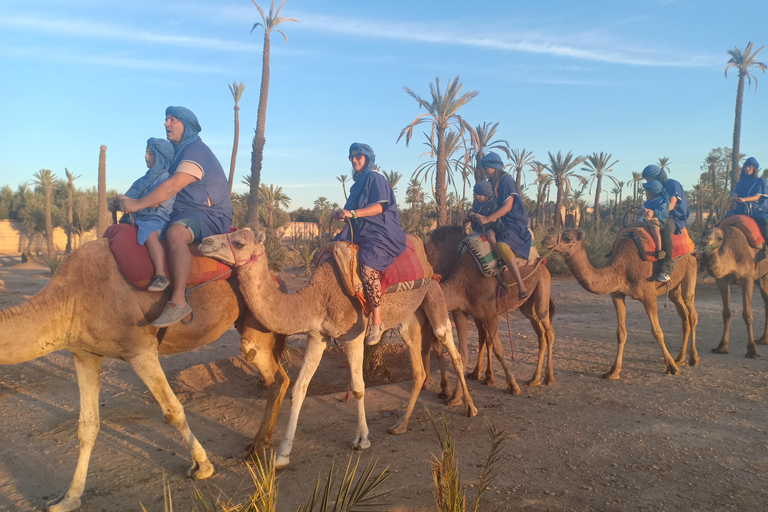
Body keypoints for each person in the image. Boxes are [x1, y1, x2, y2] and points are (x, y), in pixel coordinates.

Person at [117, 106, 233, 327]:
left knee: (176, 233)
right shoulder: (176, 153)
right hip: (180, 211)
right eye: (166, 119)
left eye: (173, 120)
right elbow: (158, 184)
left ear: (186, 126)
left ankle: (179, 301)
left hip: (208, 214)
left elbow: (172, 186)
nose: (166, 124)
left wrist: (138, 204)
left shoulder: (196, 152)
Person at [330, 143, 406, 346]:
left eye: (358, 156)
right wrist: (340, 214)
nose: (354, 159)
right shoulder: (357, 184)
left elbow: (380, 207)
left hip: (380, 231)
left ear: (367, 159)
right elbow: (349, 213)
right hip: (359, 232)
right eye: (351, 156)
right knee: (330, 254)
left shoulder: (375, 178)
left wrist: (353, 213)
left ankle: (377, 322)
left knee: (367, 264)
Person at [121, 137, 176, 292]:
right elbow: (128, 197)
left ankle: (161, 275)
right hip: (138, 217)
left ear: (160, 157)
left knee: (150, 234)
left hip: (157, 217)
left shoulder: (168, 180)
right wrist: (120, 201)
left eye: (150, 154)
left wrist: (132, 202)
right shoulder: (142, 180)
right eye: (146, 153)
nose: (146, 156)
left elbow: (155, 202)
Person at [473, 152, 530, 300]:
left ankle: (521, 286)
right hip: (498, 221)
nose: (485, 171)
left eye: (486, 168)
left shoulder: (507, 180)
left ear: (494, 167)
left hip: (512, 222)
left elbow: (508, 206)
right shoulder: (491, 183)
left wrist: (487, 219)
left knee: (503, 246)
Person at [641, 164, 689, 282]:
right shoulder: (655, 188)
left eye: (648, 179)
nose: (647, 181)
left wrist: (654, 213)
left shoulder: (672, 184)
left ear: (656, 176)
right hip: (658, 214)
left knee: (665, 231)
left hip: (674, 216)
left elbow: (671, 205)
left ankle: (666, 269)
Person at [725, 157, 768, 238]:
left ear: (754, 169)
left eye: (750, 167)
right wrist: (733, 198)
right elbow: (735, 193)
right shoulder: (740, 183)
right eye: (746, 167)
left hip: (756, 211)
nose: (747, 169)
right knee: (722, 223)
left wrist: (744, 199)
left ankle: (766, 247)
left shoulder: (760, 181)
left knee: (765, 224)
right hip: (740, 211)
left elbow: (758, 197)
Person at [465, 180, 505, 257]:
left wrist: (479, 216)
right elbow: (473, 215)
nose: (477, 197)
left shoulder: (493, 205)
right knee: (466, 240)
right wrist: (470, 216)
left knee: (491, 238)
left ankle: (500, 257)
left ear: (486, 195)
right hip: (478, 230)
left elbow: (494, 219)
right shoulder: (476, 205)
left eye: (480, 195)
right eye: (477, 194)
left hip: (490, 229)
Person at [634, 180, 669, 258]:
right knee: (626, 227)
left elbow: (662, 212)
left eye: (646, 192)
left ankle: (659, 250)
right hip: (644, 221)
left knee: (655, 230)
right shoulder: (647, 203)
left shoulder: (662, 202)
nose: (645, 194)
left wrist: (652, 212)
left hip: (654, 221)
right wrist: (632, 211)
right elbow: (640, 212)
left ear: (652, 193)